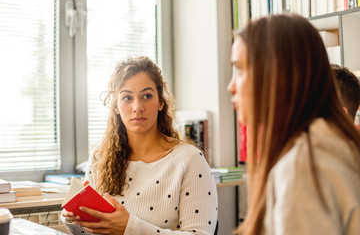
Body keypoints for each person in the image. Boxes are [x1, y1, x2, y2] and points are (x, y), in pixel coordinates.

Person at [227, 14, 360, 235]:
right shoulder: (330, 147)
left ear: (277, 75)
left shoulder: (305, 164)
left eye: (240, 69)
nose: (231, 86)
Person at [61, 56, 218, 234]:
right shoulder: (100, 157)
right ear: (116, 107)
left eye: (147, 96)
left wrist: (129, 228)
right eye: (127, 97)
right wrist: (74, 219)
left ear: (160, 103)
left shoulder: (189, 159)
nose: (137, 107)